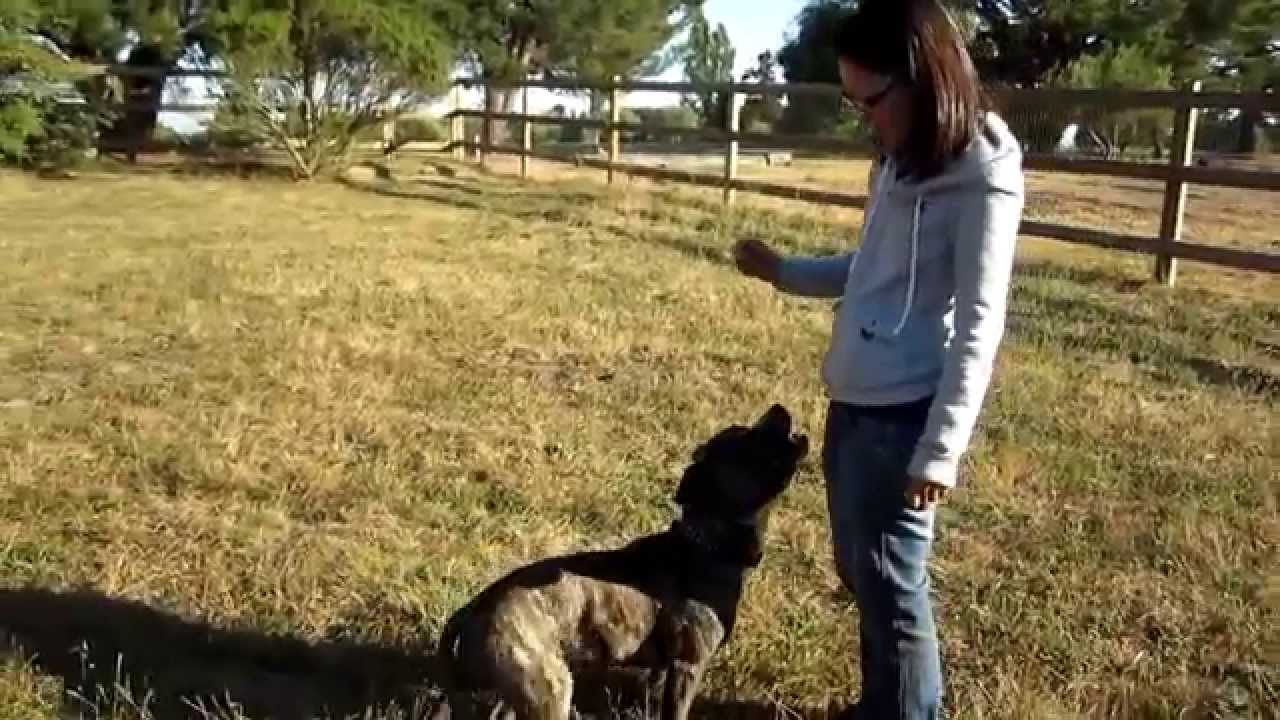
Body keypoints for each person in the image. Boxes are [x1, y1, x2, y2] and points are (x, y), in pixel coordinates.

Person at [732, 1, 1025, 718]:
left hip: (905, 417)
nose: (864, 118)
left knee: (895, 588)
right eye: (851, 101)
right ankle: (883, 703)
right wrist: (785, 272)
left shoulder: (983, 172)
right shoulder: (898, 160)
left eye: (871, 100)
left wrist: (940, 450)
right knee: (864, 574)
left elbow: (981, 323)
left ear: (922, 81)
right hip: (853, 403)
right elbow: (874, 270)